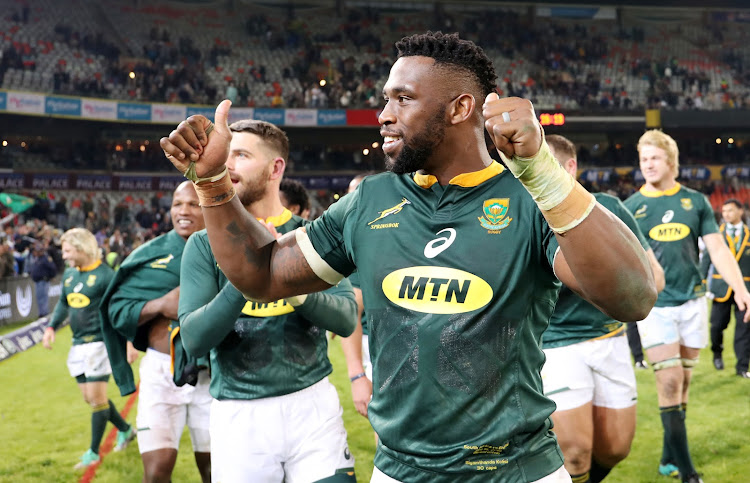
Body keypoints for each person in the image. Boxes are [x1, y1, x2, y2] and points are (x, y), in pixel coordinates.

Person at [161, 31, 657, 482]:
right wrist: (212, 183)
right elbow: (262, 274)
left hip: (514, 469)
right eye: (385, 99)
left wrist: (544, 174)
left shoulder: (530, 197)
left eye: (403, 99)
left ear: (460, 108)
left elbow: (632, 297)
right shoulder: (371, 201)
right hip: (399, 470)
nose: (384, 114)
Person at [177, 119, 358, 482]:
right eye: (225, 155)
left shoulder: (312, 236)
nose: (226, 164)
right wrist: (246, 280)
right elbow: (194, 339)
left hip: (312, 405)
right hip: (239, 415)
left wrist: (289, 283)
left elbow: (347, 318)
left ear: (276, 168)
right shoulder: (202, 244)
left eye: (240, 155)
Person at [624, 129, 750, 483]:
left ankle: (668, 457)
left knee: (683, 387)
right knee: (669, 383)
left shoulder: (695, 202)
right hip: (657, 307)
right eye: (643, 159)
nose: (647, 164)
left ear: (671, 162)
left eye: (654, 158)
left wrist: (740, 289)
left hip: (693, 302)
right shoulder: (631, 207)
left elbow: (718, 250)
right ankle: (688, 472)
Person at [541, 134, 665, 483]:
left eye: (544, 163)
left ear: (570, 167)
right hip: (557, 346)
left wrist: (621, 285)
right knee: (576, 452)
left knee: (616, 448)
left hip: (611, 339)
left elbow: (653, 276)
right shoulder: (529, 213)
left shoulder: (606, 205)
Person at [100, 181, 211, 483]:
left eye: (193, 203)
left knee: (218, 471)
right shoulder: (152, 252)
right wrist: (160, 305)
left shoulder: (227, 250)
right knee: (157, 472)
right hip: (161, 374)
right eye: (177, 204)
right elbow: (117, 310)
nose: (183, 211)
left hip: (213, 374)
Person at [41, 228, 136, 469]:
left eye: (67, 250)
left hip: (100, 344)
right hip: (78, 344)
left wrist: (129, 342)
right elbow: (64, 302)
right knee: (91, 398)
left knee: (96, 399)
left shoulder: (105, 276)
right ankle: (125, 430)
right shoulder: (70, 275)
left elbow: (120, 310)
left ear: (82, 248)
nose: (64, 256)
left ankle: (93, 452)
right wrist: (51, 327)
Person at [338, 173, 375, 421]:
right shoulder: (361, 245)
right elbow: (351, 313)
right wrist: (357, 375)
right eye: (350, 193)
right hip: (376, 345)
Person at [702, 198, 750, 378]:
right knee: (716, 326)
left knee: (744, 329)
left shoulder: (749, 234)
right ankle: (717, 353)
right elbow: (706, 259)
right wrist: (703, 282)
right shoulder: (716, 235)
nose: (726, 214)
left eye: (730, 210)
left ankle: (742, 367)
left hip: (745, 290)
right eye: (724, 211)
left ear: (740, 211)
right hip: (721, 288)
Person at [26, 243, 58, 317]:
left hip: (43, 281)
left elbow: (53, 268)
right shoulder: (37, 259)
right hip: (37, 281)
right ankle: (41, 313)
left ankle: (45, 314)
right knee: (39, 298)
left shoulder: (46, 258)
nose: (36, 253)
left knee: (43, 298)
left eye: (37, 251)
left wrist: (51, 276)